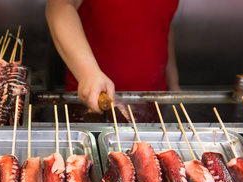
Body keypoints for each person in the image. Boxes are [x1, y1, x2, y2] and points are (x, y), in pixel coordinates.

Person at [46, 0, 181, 113]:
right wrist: (88, 73)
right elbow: (58, 7)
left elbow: (161, 26)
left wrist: (174, 85)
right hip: (95, 106)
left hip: (154, 107)